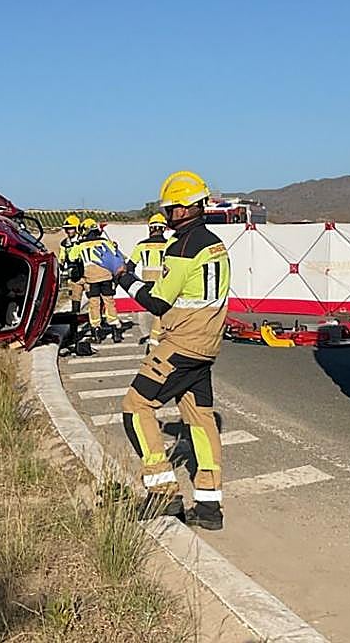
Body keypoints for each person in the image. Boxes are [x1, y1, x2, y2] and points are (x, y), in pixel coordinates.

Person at [90, 171, 230, 530]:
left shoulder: (183, 247)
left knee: (135, 408)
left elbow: (157, 301)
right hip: (206, 346)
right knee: (200, 420)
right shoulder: (216, 244)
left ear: (184, 209)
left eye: (170, 209)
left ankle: (163, 492)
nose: (166, 217)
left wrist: (121, 273)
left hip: (180, 345)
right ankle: (210, 506)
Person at [68, 218, 124, 344]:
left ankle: (96, 331)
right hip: (106, 276)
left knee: (94, 303)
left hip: (91, 278)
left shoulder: (80, 245)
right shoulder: (104, 241)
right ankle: (115, 329)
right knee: (109, 301)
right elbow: (114, 253)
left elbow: (71, 257)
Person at [125, 212, 170, 346]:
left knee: (156, 311)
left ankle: (154, 341)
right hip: (164, 284)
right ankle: (157, 340)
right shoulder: (170, 245)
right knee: (162, 313)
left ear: (150, 228)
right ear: (164, 228)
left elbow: (130, 267)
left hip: (147, 283)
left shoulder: (142, 245)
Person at [56, 214, 84, 312]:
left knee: (94, 298)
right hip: (74, 275)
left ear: (76, 228)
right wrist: (61, 266)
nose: (68, 231)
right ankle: (75, 319)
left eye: (71, 228)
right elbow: (62, 258)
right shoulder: (64, 243)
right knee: (75, 298)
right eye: (66, 229)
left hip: (87, 274)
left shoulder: (83, 240)